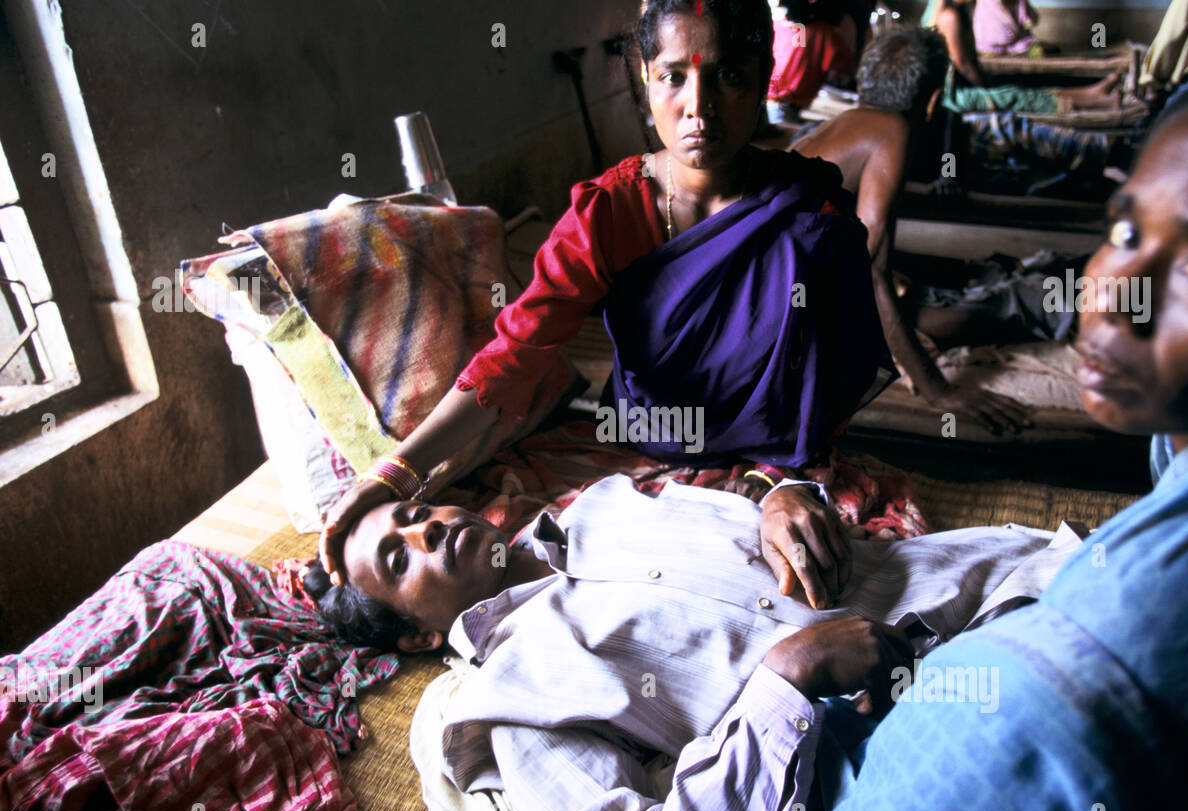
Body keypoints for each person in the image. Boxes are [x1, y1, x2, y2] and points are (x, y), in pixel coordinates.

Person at [797, 71, 1188, 811]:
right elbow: (865, 268)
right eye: (1125, 232)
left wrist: (785, 689)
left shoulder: (1045, 705)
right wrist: (934, 387)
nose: (1116, 296)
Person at [318, 0, 898, 585]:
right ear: (645, 78)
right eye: (673, 76)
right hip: (646, 436)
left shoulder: (806, 212)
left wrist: (778, 480)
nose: (698, 107)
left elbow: (831, 373)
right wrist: (394, 473)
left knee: (804, 575)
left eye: (728, 76)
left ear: (762, 77)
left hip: (776, 449)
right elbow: (516, 355)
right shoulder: (610, 212)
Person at [306, 470, 1082, 811]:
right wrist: (785, 681)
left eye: (416, 514)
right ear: (418, 638)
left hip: (1007, 577)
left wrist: (785, 493)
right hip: (925, 722)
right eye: (399, 559)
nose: (428, 531)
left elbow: (756, 501)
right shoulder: (512, 696)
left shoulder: (608, 502)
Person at [794, 27, 1034, 435]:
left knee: (930, 288)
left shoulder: (840, 125)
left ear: (864, 84)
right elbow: (872, 274)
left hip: (763, 299)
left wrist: (958, 269)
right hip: (782, 323)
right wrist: (938, 391)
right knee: (959, 319)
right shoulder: (893, 132)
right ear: (933, 100)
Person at [925, 0, 1127, 114]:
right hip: (953, 95)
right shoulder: (949, 17)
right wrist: (987, 87)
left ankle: (1090, 93)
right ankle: (1095, 101)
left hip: (963, 85)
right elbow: (964, 67)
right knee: (1014, 95)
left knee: (1017, 88)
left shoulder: (961, 14)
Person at [767, 0, 857, 122]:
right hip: (787, 103)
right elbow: (843, 70)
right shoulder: (824, 33)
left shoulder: (777, 25)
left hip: (770, 98)